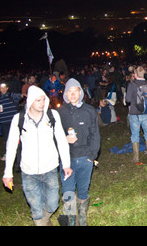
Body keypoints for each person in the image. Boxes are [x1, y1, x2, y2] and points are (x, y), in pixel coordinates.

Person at [2, 86, 72, 226]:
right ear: (30, 101)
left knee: (52, 205)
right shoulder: (19, 119)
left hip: (50, 168)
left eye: (43, 100)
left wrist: (66, 164)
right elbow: (11, 146)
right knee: (36, 209)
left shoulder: (52, 116)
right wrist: (7, 173)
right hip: (29, 172)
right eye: (38, 100)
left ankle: (43, 220)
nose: (41, 103)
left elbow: (61, 141)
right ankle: (41, 221)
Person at [58, 78, 100, 226]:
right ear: (66, 94)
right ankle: (71, 221)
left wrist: (92, 156)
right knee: (68, 192)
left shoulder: (89, 110)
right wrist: (64, 139)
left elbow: (95, 134)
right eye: (69, 91)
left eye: (75, 91)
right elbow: (53, 136)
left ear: (80, 93)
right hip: (66, 160)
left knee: (83, 190)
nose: (73, 94)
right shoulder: (59, 113)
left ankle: (82, 220)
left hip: (85, 158)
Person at [126, 66, 147, 162]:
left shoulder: (132, 85)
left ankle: (136, 157)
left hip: (135, 113)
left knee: (135, 135)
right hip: (146, 112)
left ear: (135, 74)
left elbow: (128, 100)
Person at [0, 81, 25, 162]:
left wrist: (22, 95)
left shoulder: (11, 95)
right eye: (1, 88)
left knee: (17, 138)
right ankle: (9, 154)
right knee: (7, 139)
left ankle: (19, 154)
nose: (3, 89)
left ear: (7, 88)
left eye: (4, 88)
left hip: (13, 122)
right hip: (4, 122)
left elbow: (18, 96)